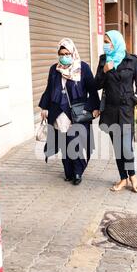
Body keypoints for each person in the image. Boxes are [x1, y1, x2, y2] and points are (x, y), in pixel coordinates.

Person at [39, 38, 100, 185]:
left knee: (76, 142)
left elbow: (92, 90)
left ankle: (78, 172)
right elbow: (49, 89)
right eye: (61, 53)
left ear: (73, 53)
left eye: (67, 53)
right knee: (64, 143)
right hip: (58, 111)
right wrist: (44, 107)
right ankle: (68, 171)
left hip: (78, 112)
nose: (64, 56)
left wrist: (95, 107)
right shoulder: (54, 69)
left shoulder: (82, 68)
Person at [95, 30, 137, 193]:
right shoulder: (104, 60)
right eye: (104, 41)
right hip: (110, 111)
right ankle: (123, 178)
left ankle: (133, 176)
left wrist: (135, 98)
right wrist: (104, 71)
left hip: (126, 110)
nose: (105, 45)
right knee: (117, 147)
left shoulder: (132, 60)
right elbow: (96, 85)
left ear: (116, 42)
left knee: (126, 146)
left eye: (107, 41)